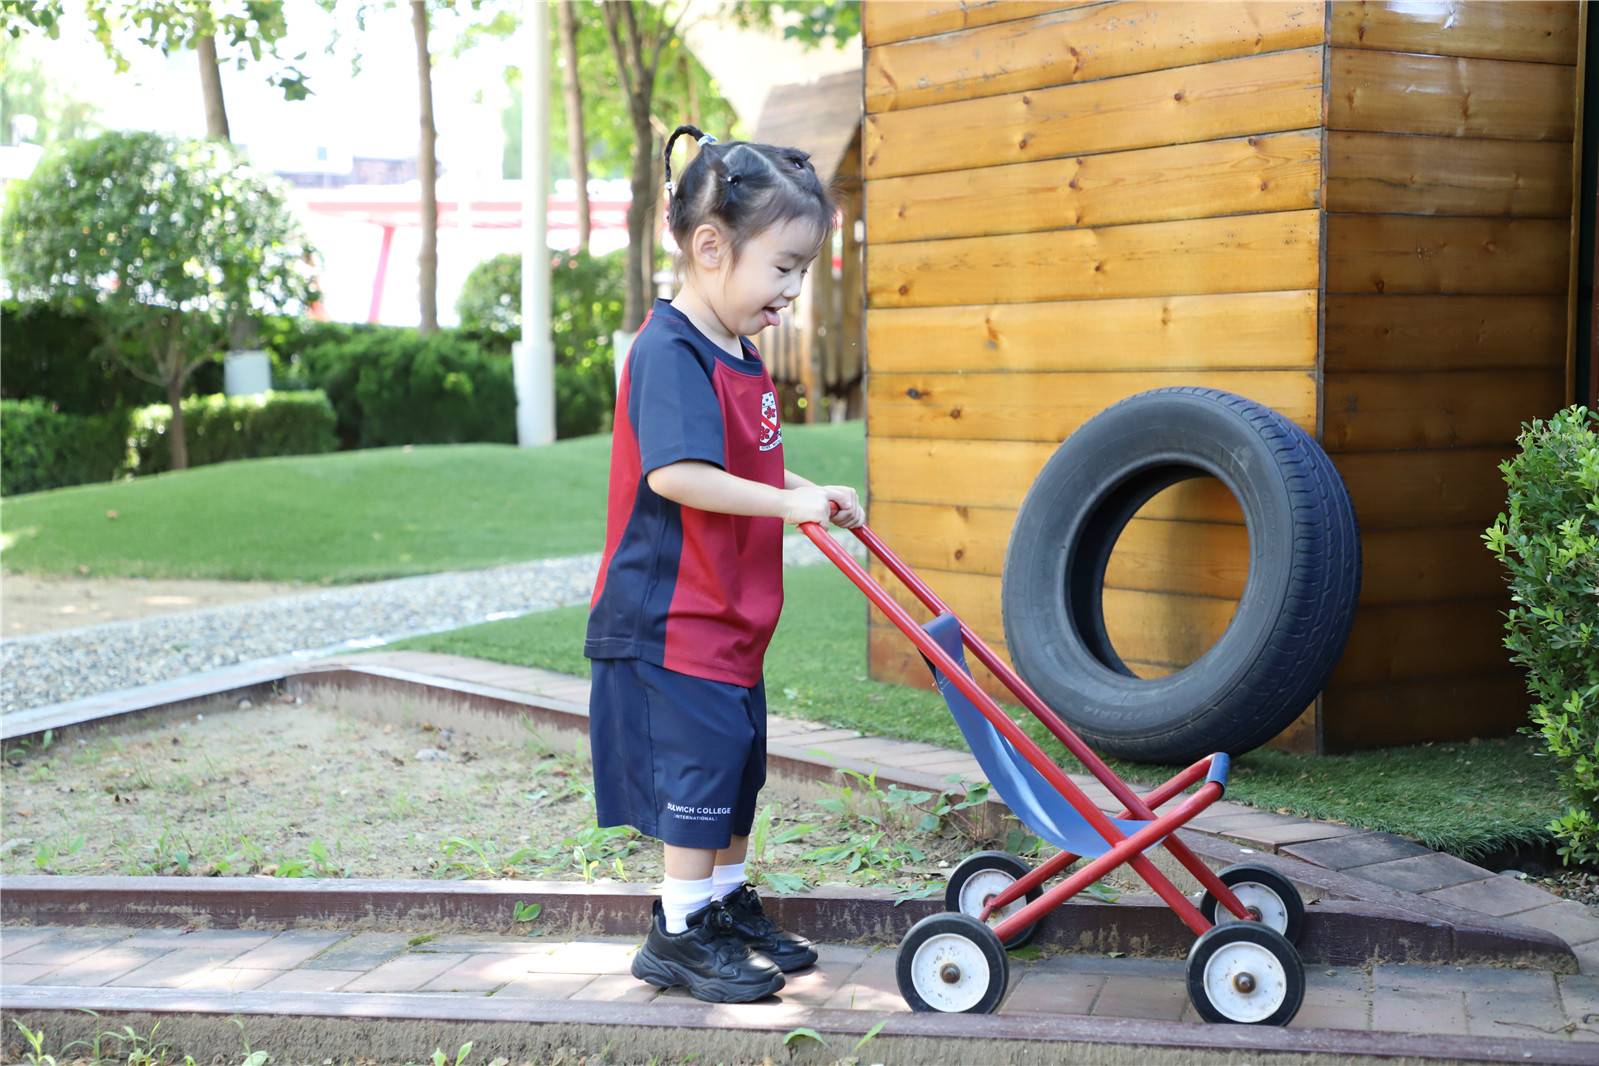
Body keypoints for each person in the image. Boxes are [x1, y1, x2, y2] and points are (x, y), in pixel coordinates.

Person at [584, 123, 864, 1004]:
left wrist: (810, 491)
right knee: (699, 774)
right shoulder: (669, 350)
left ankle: (724, 902)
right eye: (782, 267)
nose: (793, 290)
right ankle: (678, 931)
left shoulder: (737, 353)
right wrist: (788, 506)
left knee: (737, 766)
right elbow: (676, 475)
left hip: (731, 616)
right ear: (711, 248)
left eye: (801, 270)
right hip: (673, 618)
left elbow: (747, 466)